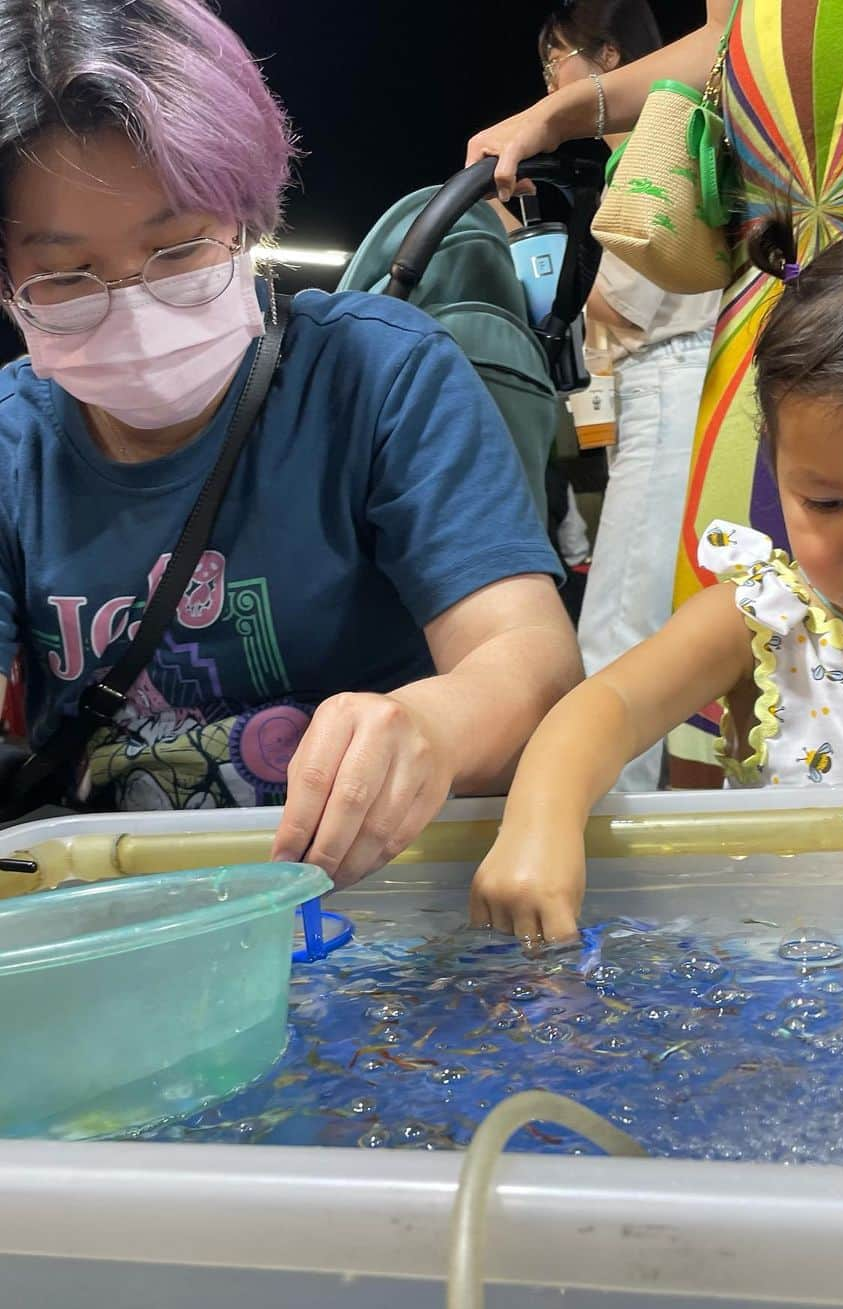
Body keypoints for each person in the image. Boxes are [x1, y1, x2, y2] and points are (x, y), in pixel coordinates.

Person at [0, 0, 582, 886]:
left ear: (245, 221)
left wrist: (431, 725)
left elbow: (529, 659)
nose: (130, 302)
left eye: (178, 249)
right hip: (114, 910)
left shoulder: (379, 375)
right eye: (65, 276)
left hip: (373, 888)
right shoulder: (12, 445)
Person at [467, 0, 843, 786]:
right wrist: (563, 112)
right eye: (824, 502)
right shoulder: (764, 606)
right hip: (799, 230)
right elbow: (731, 36)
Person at [470, 208, 843, 942]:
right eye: (825, 500)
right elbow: (607, 708)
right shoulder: (764, 615)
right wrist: (541, 819)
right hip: (797, 990)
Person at [539, 0, 722, 792]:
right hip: (673, 380)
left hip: (672, 377)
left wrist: (547, 287)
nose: (550, 83)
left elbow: (624, 305)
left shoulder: (662, 135)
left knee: (621, 625)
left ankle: (603, 826)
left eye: (556, 63)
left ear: (605, 57)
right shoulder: (688, 129)